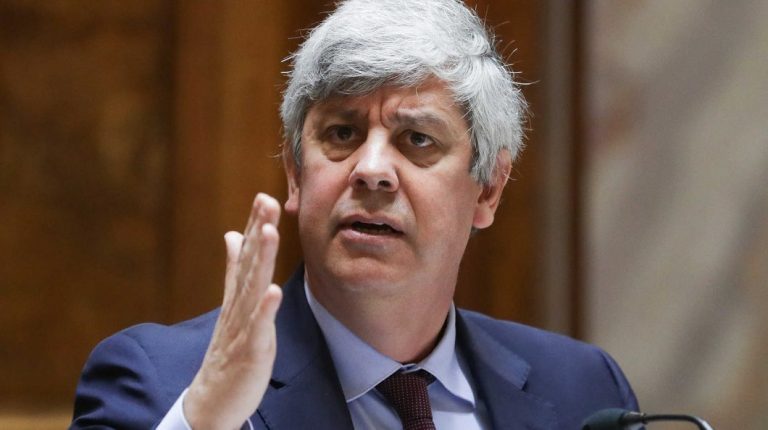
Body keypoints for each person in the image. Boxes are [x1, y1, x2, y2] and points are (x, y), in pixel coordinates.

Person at [71, 0, 639, 429]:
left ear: (488, 189)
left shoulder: (584, 393)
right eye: (342, 133)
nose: (371, 170)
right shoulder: (160, 383)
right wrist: (204, 420)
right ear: (296, 173)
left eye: (417, 139)